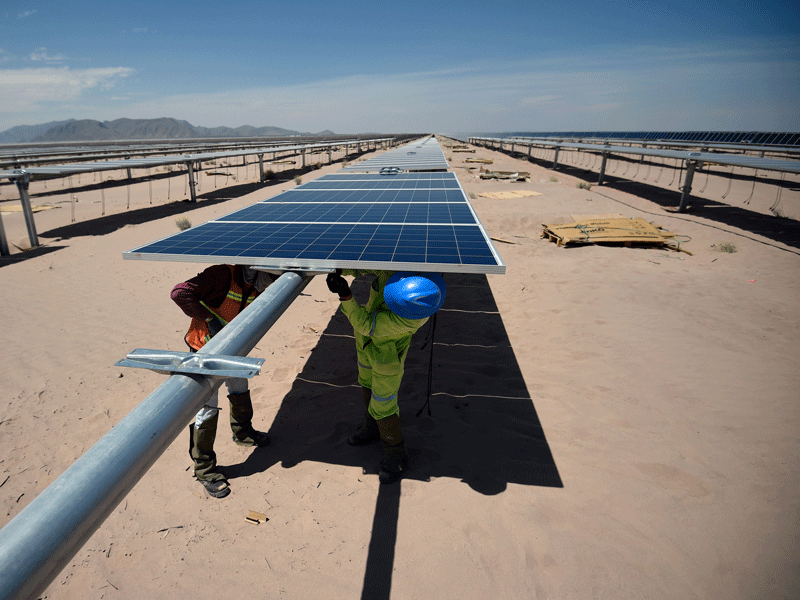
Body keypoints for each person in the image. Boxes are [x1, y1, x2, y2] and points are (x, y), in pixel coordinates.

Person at [326, 269, 446, 484]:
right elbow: (366, 266)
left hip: (386, 361)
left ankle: (395, 454)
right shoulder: (396, 271)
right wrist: (339, 267)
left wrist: (345, 295)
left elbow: (365, 324)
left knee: (384, 404)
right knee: (365, 382)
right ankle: (371, 427)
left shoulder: (409, 317)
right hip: (365, 346)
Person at [171, 264, 277, 498]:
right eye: (272, 278)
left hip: (233, 350)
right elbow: (179, 293)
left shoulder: (256, 285)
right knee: (207, 407)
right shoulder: (221, 276)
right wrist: (209, 318)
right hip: (204, 351)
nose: (272, 285)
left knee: (239, 387)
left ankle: (243, 433)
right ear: (257, 269)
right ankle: (204, 469)